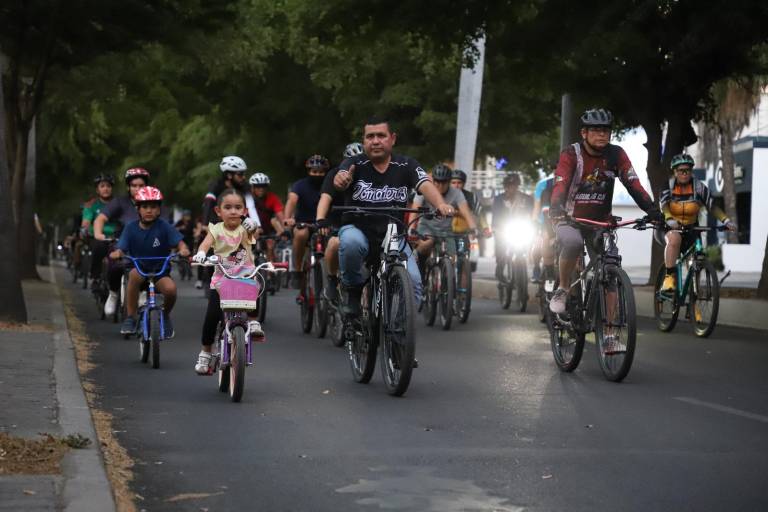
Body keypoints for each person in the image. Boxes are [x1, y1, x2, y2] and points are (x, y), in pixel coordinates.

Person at [548, 108, 663, 336]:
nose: (602, 135)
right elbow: (560, 185)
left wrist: (653, 211)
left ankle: (610, 331)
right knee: (571, 243)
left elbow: (634, 184)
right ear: (584, 132)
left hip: (600, 222)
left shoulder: (616, 154)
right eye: (596, 130)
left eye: (606, 131)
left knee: (610, 269)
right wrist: (557, 208)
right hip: (569, 218)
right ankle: (562, 288)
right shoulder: (572, 154)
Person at [327, 116, 454, 316]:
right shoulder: (353, 163)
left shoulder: (407, 165)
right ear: (364, 140)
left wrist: (441, 204)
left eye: (381, 135)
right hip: (358, 229)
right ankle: (352, 292)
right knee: (350, 243)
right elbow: (340, 178)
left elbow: (424, 183)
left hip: (395, 235)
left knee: (413, 283)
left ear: (392, 139)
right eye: (370, 136)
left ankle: (398, 329)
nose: (375, 141)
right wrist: (341, 180)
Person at [192, 189, 264, 375]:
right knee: (212, 315)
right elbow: (206, 243)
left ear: (244, 211)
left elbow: (255, 231)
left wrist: (253, 225)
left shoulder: (245, 229)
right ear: (218, 211)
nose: (233, 211)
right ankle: (206, 351)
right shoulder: (216, 229)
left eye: (238, 207)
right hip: (222, 280)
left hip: (245, 277)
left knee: (257, 286)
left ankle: (254, 321)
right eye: (228, 207)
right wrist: (201, 253)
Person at [109, 187, 190, 336]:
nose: (149, 210)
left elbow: (180, 243)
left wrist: (183, 249)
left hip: (160, 272)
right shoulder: (130, 228)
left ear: (159, 210)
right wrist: (117, 253)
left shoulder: (164, 226)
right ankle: (130, 317)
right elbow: (122, 248)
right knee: (133, 275)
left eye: (153, 207)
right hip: (139, 269)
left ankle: (165, 315)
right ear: (138, 209)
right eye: (145, 207)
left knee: (171, 290)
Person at [658, 153, 735, 292]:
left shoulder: (698, 187)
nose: (685, 173)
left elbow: (712, 206)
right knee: (674, 239)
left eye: (688, 170)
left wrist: (726, 220)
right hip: (670, 226)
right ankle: (669, 277)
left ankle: (694, 302)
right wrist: (669, 219)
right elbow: (664, 205)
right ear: (675, 171)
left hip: (691, 228)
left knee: (696, 263)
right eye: (681, 170)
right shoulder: (668, 185)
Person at [94, 167, 153, 316]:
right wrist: (98, 233)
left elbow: (165, 223)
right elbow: (101, 218)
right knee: (114, 266)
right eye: (134, 185)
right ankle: (113, 294)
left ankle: (143, 294)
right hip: (122, 243)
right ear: (128, 187)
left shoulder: (154, 202)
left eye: (141, 185)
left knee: (153, 267)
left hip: (146, 244)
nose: (138, 189)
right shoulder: (119, 202)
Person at [316, 142, 366, 303]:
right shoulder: (334, 175)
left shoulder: (370, 176)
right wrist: (321, 220)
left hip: (363, 224)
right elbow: (325, 199)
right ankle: (331, 279)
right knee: (334, 244)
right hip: (337, 222)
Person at [197, 156, 256, 289]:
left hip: (239, 222)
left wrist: (255, 224)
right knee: (207, 237)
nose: (243, 177)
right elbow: (208, 204)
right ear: (229, 175)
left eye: (244, 174)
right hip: (215, 219)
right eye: (240, 174)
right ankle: (206, 276)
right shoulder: (216, 185)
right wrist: (205, 224)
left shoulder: (245, 187)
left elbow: (251, 207)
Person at [413, 164, 477, 274]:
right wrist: (412, 229)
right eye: (437, 181)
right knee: (426, 244)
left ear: (449, 181)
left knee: (453, 258)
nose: (440, 185)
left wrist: (473, 228)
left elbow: (466, 212)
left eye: (444, 182)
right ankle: (420, 270)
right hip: (426, 228)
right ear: (433, 180)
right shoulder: (425, 189)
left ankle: (447, 286)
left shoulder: (456, 193)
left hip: (446, 232)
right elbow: (414, 210)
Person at [283, 154, 329, 290]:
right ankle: (297, 271)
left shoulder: (330, 184)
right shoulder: (300, 185)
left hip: (324, 224)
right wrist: (288, 218)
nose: (317, 174)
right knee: (301, 235)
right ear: (309, 171)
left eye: (321, 172)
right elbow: (291, 201)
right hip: (303, 223)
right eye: (314, 171)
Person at [491, 172, 533, 281]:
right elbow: (495, 217)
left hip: (521, 229)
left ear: (518, 186)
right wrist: (496, 229)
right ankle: (499, 270)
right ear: (505, 187)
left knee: (525, 248)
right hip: (503, 230)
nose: (512, 188)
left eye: (514, 185)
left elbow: (532, 215)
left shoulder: (526, 199)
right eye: (509, 186)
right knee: (501, 250)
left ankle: (521, 281)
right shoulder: (499, 199)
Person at [81, 174, 118, 285]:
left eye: (108, 186)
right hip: (97, 237)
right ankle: (95, 276)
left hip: (116, 237)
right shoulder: (92, 205)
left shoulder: (118, 204)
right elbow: (86, 221)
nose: (106, 188)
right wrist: (85, 228)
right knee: (99, 247)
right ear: (97, 190)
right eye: (102, 186)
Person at [248, 172, 285, 262]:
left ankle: (270, 273)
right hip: (250, 229)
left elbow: (280, 214)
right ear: (252, 187)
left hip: (268, 231)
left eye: (263, 186)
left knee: (270, 247)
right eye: (257, 186)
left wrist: (285, 228)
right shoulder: (247, 199)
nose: (261, 189)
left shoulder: (272, 197)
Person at [530, 172, 556, 283]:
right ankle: (536, 267)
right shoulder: (543, 185)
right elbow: (537, 207)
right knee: (538, 245)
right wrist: (534, 224)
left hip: (561, 222)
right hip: (543, 221)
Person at [450, 169, 490, 236]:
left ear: (464, 184)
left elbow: (480, 213)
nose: (456, 186)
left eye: (459, 183)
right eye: (453, 183)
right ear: (449, 183)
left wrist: (485, 228)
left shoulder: (471, 197)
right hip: (447, 235)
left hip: (467, 234)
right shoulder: (443, 197)